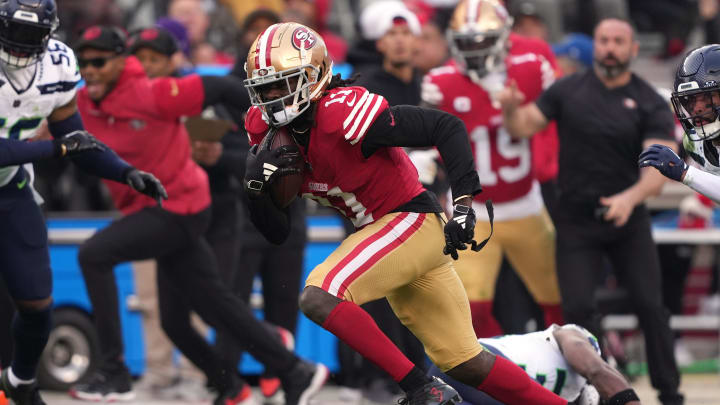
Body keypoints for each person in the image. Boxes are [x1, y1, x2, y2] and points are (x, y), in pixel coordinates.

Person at [243, 21, 568, 405]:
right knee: (465, 362)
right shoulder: (263, 130)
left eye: (284, 83)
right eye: (266, 88)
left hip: (409, 220)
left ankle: (419, 387)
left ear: (314, 76)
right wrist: (256, 189)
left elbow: (445, 126)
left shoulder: (340, 113)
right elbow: (276, 231)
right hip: (390, 237)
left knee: (319, 295)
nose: (274, 97)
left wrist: (464, 204)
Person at [68, 25, 327, 405]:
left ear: (120, 62)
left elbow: (221, 89)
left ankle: (113, 371)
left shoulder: (152, 92)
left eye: (99, 62)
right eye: (83, 62)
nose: (89, 70)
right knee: (186, 317)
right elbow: (46, 131)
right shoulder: (82, 103)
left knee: (93, 254)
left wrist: (280, 123)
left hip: (181, 208)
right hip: (156, 211)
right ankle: (272, 375)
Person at [499, 18, 683, 405]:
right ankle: (593, 391)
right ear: (595, 46)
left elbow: (658, 168)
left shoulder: (649, 100)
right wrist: (512, 110)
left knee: (652, 306)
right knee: (579, 309)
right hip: (576, 221)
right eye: (603, 41)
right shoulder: (567, 90)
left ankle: (670, 393)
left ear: (634, 49)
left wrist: (629, 199)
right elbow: (526, 126)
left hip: (628, 219)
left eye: (619, 41)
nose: (610, 48)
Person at [0, 2, 167, 404]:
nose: (20, 46)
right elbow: (61, 147)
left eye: (30, 36)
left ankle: (20, 381)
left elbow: (77, 142)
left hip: (9, 188)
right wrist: (55, 149)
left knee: (38, 303)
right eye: (14, 33)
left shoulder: (57, 65)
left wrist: (125, 172)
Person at [423, 0, 563, 338]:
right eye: (466, 41)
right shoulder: (440, 82)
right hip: (472, 211)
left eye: (482, 40)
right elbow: (425, 146)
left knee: (558, 300)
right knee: (471, 309)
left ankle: (570, 366)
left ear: (503, 37)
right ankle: (500, 374)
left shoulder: (532, 69)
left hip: (526, 204)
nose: (473, 50)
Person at [428, 324, 640, 405]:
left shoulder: (569, 392)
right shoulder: (570, 336)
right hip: (478, 364)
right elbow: (596, 369)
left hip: (447, 373)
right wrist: (629, 399)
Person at [639, 44, 720, 205]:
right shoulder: (696, 144)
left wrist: (685, 173)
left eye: (706, 97)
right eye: (689, 99)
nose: (696, 108)